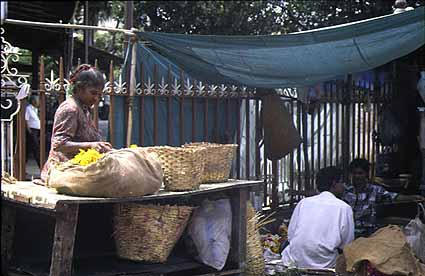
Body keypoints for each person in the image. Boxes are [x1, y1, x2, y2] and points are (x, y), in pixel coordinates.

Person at [40, 64, 113, 182]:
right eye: (93, 93)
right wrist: (90, 145)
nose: (96, 99)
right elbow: (58, 145)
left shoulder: (84, 109)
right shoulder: (70, 109)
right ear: (79, 89)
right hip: (62, 173)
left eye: (99, 95)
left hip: (78, 171)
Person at [281, 166, 354, 268]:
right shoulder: (344, 208)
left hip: (294, 260)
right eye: (342, 182)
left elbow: (291, 235)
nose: (344, 186)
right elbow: (347, 244)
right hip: (326, 264)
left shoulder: (304, 203)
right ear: (334, 183)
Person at [344, 158, 424, 237]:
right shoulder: (346, 192)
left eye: (360, 173)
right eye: (354, 173)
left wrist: (413, 198)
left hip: (370, 235)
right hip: (350, 234)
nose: (357, 176)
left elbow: (394, 197)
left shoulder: (375, 190)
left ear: (366, 174)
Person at [25, 95, 41, 168]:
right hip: (32, 130)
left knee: (30, 148)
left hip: (37, 130)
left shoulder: (36, 109)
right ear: (33, 101)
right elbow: (26, 120)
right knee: (35, 147)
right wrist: (29, 131)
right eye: (37, 100)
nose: (39, 102)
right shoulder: (28, 108)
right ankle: (40, 165)